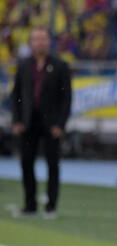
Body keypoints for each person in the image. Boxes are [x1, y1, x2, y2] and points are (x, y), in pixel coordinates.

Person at [11, 27, 72, 219]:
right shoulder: (23, 65)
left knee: (52, 164)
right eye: (36, 39)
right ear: (30, 42)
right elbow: (17, 95)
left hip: (51, 124)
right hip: (28, 123)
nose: (40, 43)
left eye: (43, 39)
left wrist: (60, 125)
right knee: (26, 162)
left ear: (49, 42)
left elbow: (66, 98)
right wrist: (17, 120)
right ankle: (29, 205)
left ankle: (51, 206)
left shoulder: (60, 65)